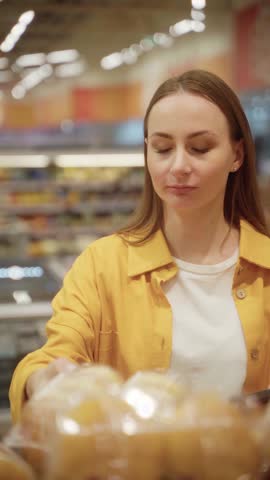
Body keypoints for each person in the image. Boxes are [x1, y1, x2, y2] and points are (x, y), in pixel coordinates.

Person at [9, 69, 270, 423]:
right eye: (163, 148)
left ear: (237, 155)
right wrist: (43, 379)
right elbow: (55, 353)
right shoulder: (101, 266)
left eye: (200, 148)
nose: (178, 166)